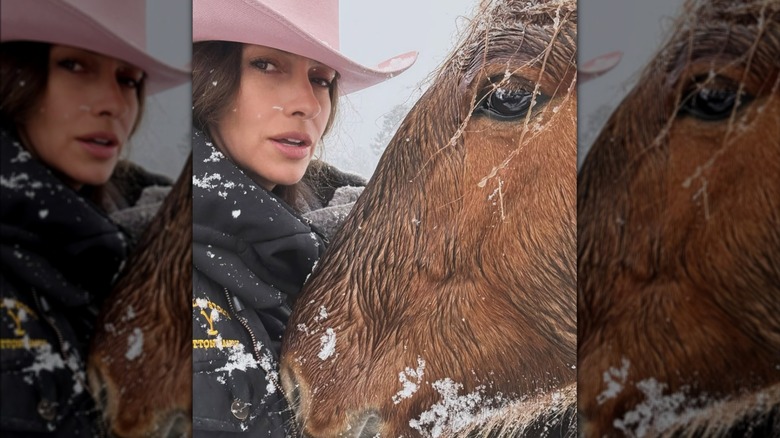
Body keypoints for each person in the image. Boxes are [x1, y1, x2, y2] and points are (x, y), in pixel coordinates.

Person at [190, 0, 417, 435]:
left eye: (321, 79)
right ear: (207, 76)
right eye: (267, 65)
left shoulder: (379, 252)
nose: (308, 104)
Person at [0, 1, 188, 436]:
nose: (113, 104)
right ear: (14, 73)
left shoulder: (159, 238)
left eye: (128, 79)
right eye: (75, 65)